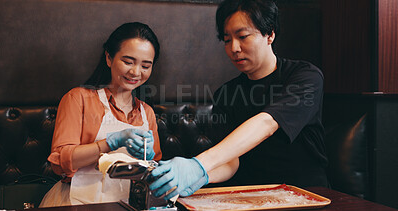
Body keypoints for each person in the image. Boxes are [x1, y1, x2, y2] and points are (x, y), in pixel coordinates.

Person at [149, 0, 328, 200]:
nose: (234, 48)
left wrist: (199, 164)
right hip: (250, 196)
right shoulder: (226, 93)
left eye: (242, 36)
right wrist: (202, 176)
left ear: (270, 34)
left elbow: (267, 122)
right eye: (227, 40)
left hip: (306, 194)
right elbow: (231, 163)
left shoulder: (305, 76)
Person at [39, 22, 162, 207]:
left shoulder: (147, 113)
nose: (136, 72)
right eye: (128, 62)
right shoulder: (78, 98)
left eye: (146, 65)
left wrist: (150, 162)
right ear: (109, 58)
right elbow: (59, 163)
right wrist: (109, 143)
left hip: (128, 204)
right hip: (77, 203)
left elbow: (154, 172)